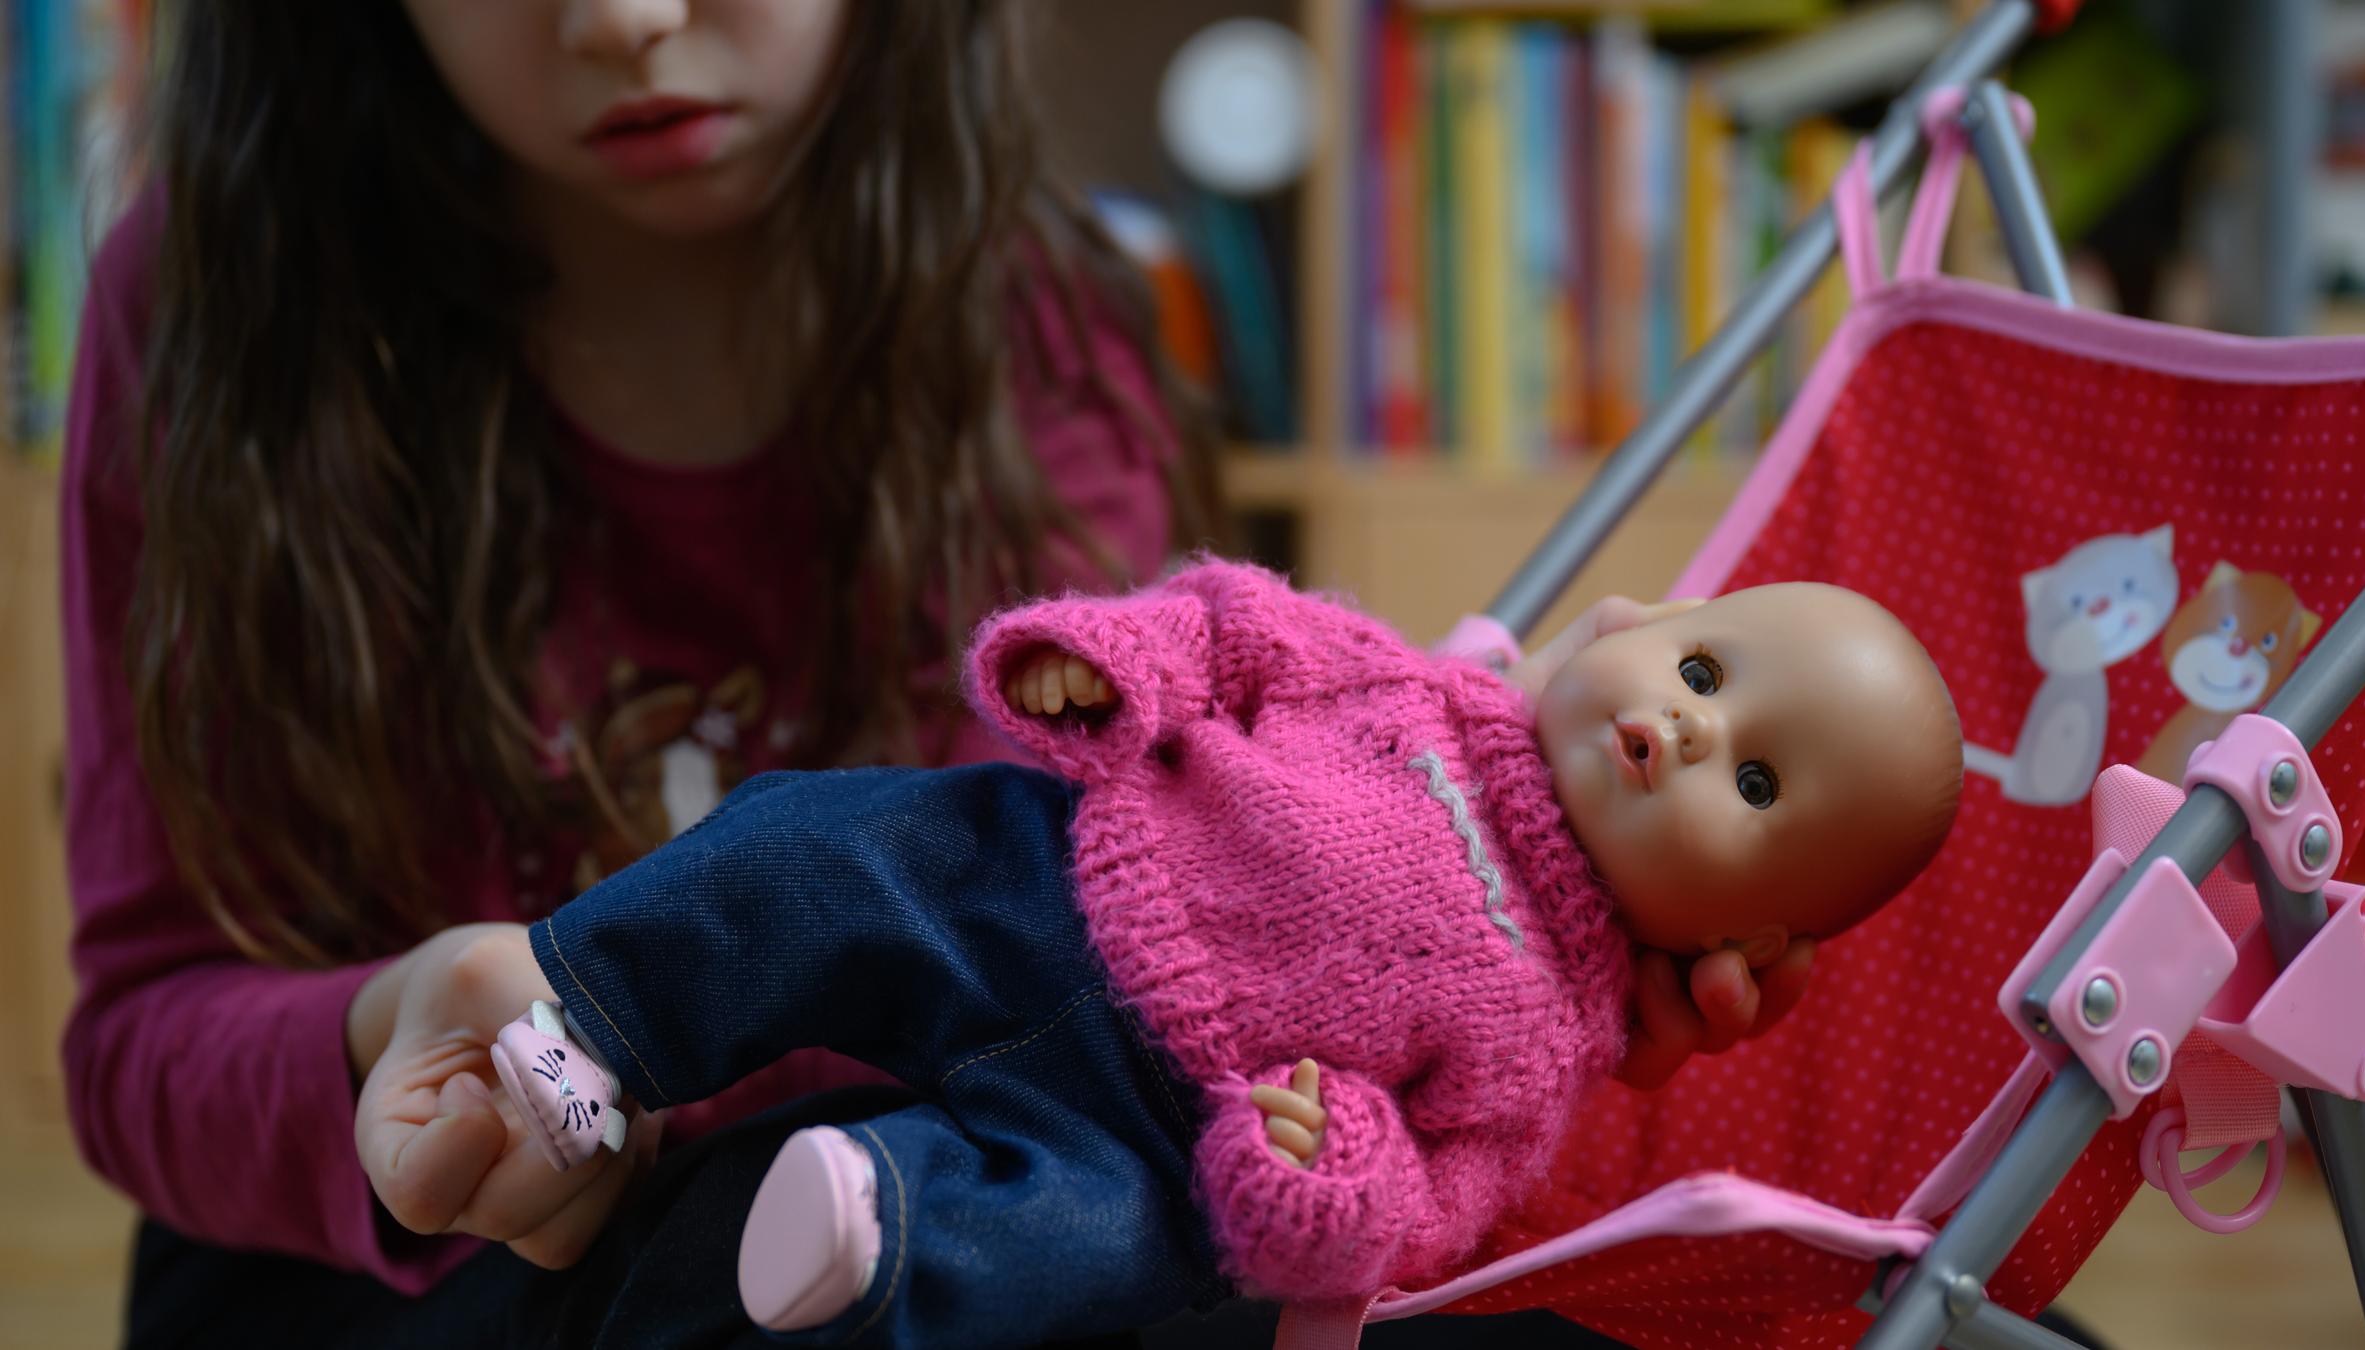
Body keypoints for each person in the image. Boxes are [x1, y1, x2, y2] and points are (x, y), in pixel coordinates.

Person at [59, 2, 1797, 1342]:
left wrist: (1505, 902)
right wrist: (389, 1027)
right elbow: (141, 1033)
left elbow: (1134, 982)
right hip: (396, 1293)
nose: (627, 22)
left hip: (909, 1231)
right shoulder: (229, 314)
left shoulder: (1049, 328)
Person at [483, 561, 1964, 1346]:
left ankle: (879, 1229)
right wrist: (1120, 662)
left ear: (1740, 939)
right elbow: (1243, 631)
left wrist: (1330, 1169)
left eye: (1753, 781)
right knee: (820, 849)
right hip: (1043, 879)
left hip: (1148, 1126)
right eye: (1703, 668)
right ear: (1641, 625)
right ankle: (601, 1025)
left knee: (1093, 1246)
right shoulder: (1418, 687)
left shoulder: (1550, 1041)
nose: (1692, 726)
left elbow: (1434, 1199)